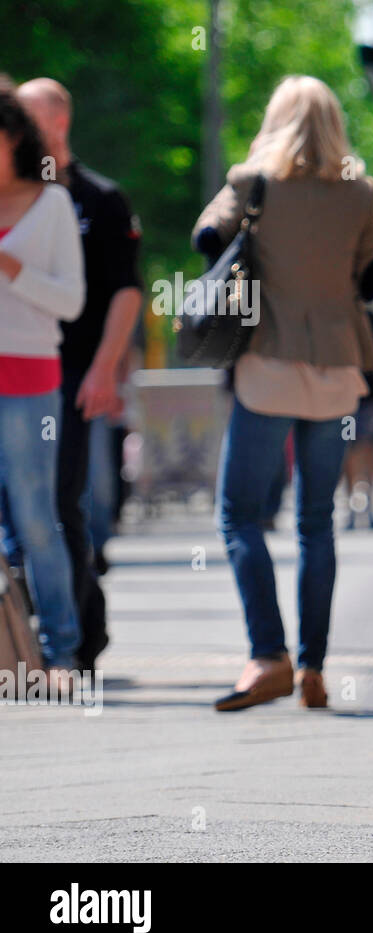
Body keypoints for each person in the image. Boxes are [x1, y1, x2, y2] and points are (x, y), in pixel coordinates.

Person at [193, 76, 373, 711]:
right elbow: (372, 279)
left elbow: (206, 240)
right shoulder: (361, 192)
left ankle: (266, 654)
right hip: (336, 372)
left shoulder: (253, 181)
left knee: (239, 515)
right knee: (316, 523)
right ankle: (314, 668)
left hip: (268, 367)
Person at [14, 78, 143, 674]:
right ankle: (28, 636)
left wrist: (103, 372)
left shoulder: (99, 198)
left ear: (57, 124)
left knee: (58, 506)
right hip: (19, 364)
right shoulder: (15, 194)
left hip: (68, 374)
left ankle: (78, 637)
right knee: (23, 511)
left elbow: (125, 294)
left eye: (28, 121)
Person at [0, 86, 86, 680]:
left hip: (30, 379)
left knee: (35, 519)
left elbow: (72, 302)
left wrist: (12, 269)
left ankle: (60, 652)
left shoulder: (53, 204)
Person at [341, 308, 373, 531]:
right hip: (346, 395)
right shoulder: (339, 314)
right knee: (355, 448)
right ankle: (356, 503)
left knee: (360, 447)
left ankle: (364, 501)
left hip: (361, 395)